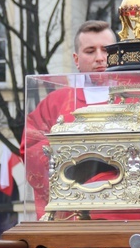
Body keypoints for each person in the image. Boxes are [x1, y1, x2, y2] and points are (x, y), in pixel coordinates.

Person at [21, 20, 116, 217]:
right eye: (90, 51)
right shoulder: (56, 103)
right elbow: (30, 145)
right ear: (76, 59)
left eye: (106, 50)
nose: (100, 58)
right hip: (73, 205)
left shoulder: (137, 98)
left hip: (122, 207)